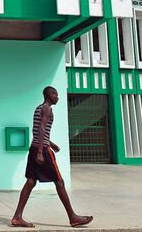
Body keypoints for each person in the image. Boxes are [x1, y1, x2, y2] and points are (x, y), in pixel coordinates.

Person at [11, 86, 93, 228]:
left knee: (31, 181)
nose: (58, 97)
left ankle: (17, 217)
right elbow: (42, 128)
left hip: (35, 147)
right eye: (56, 95)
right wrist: (42, 152)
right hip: (41, 150)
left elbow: (37, 130)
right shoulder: (47, 109)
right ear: (50, 95)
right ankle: (73, 217)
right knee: (59, 182)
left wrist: (51, 143)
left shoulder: (39, 108)